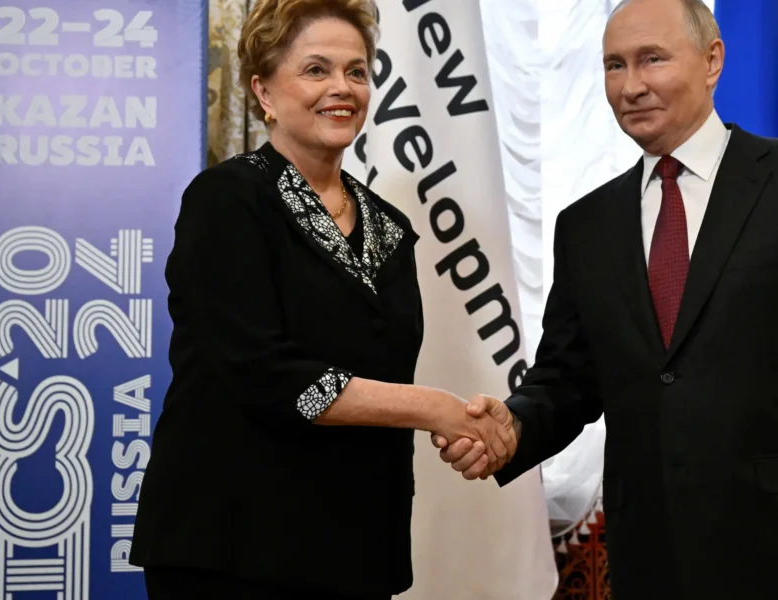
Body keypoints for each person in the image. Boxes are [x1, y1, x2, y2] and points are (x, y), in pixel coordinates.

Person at [434, 1, 778, 599]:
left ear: (712, 61)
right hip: (650, 558)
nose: (630, 86)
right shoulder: (585, 225)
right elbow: (567, 379)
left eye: (651, 60)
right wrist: (512, 426)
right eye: (613, 66)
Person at [129, 1, 516, 598]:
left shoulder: (390, 227)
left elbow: (381, 374)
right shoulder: (227, 201)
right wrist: (434, 408)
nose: (342, 88)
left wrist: (456, 423)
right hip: (232, 548)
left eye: (357, 71)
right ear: (263, 89)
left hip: (356, 548)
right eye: (316, 69)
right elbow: (262, 373)